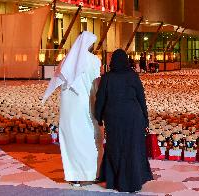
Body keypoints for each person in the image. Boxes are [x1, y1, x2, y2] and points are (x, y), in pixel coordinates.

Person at [42, 31, 103, 186]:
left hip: (68, 106)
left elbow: (58, 81)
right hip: (85, 103)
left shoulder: (66, 60)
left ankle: (73, 175)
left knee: (70, 139)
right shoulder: (94, 60)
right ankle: (88, 174)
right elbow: (96, 85)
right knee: (86, 138)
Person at [95, 49, 153, 192]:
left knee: (116, 148)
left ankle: (116, 180)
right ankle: (133, 182)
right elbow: (141, 98)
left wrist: (99, 117)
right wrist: (146, 119)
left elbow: (100, 99)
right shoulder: (133, 76)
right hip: (133, 117)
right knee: (132, 148)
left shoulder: (107, 78)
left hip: (114, 118)